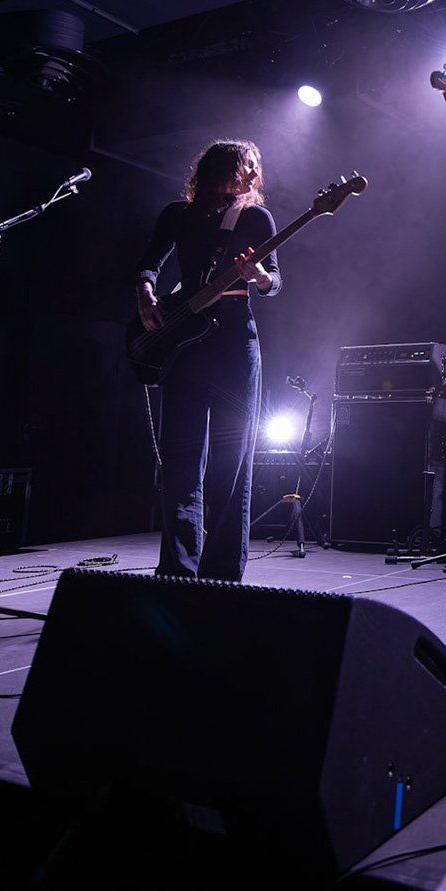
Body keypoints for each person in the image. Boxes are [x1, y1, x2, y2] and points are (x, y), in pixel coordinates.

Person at [133, 139, 280, 581]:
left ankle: (221, 573)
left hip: (235, 340)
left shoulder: (256, 217)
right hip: (184, 340)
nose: (256, 175)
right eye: (248, 166)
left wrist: (260, 277)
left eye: (256, 167)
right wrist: (145, 291)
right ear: (223, 169)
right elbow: (149, 262)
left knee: (233, 459)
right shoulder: (178, 214)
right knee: (180, 457)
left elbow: (275, 280)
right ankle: (177, 569)